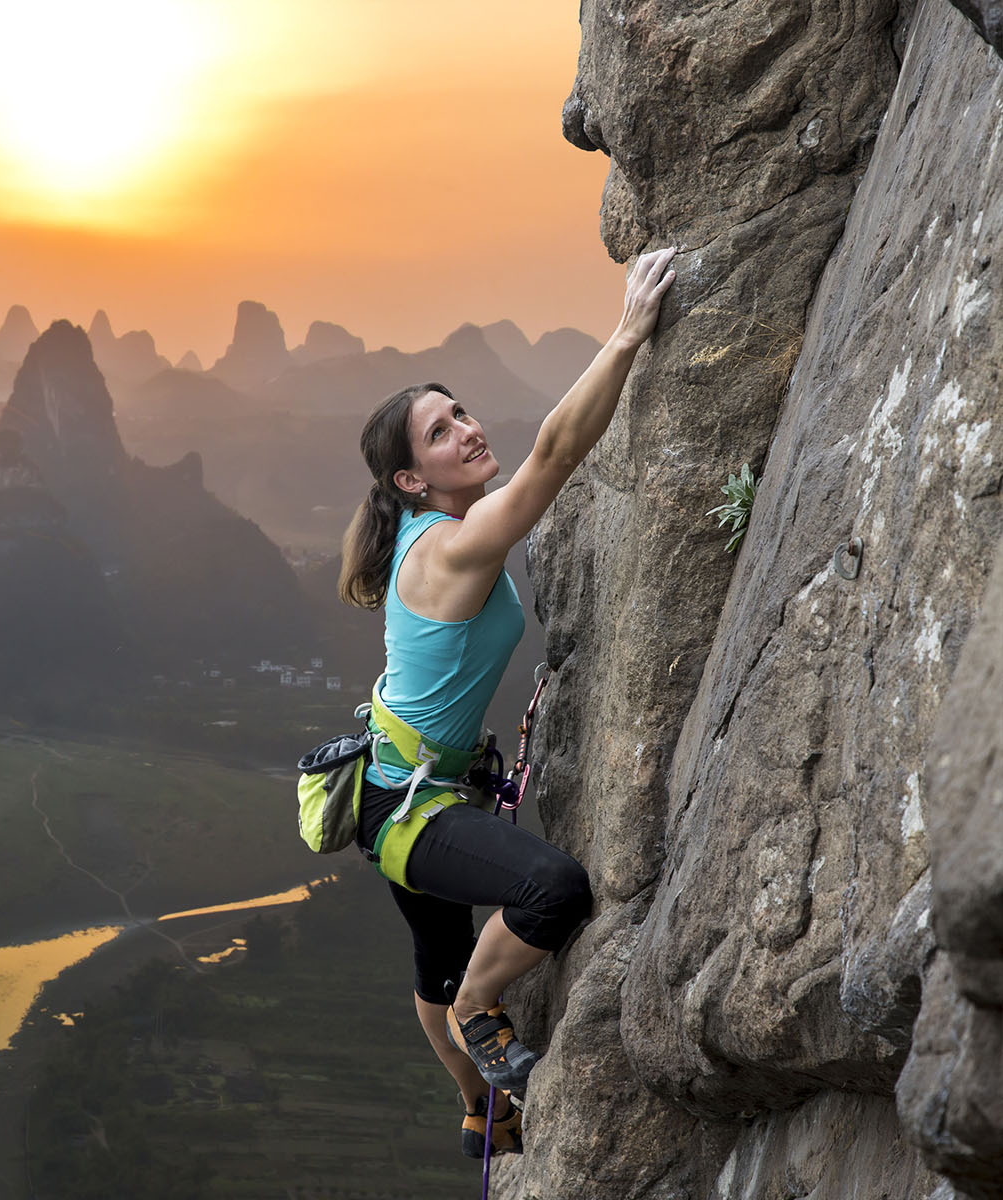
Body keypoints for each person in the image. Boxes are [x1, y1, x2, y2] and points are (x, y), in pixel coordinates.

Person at [336, 247, 677, 1158]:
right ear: (413, 480)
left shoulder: (426, 529)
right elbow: (557, 454)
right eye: (441, 435)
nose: (467, 432)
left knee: (433, 958)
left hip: (394, 782)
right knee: (551, 891)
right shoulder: (450, 545)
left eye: (460, 413)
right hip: (408, 808)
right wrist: (629, 334)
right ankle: (480, 1015)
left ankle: (476, 1105)